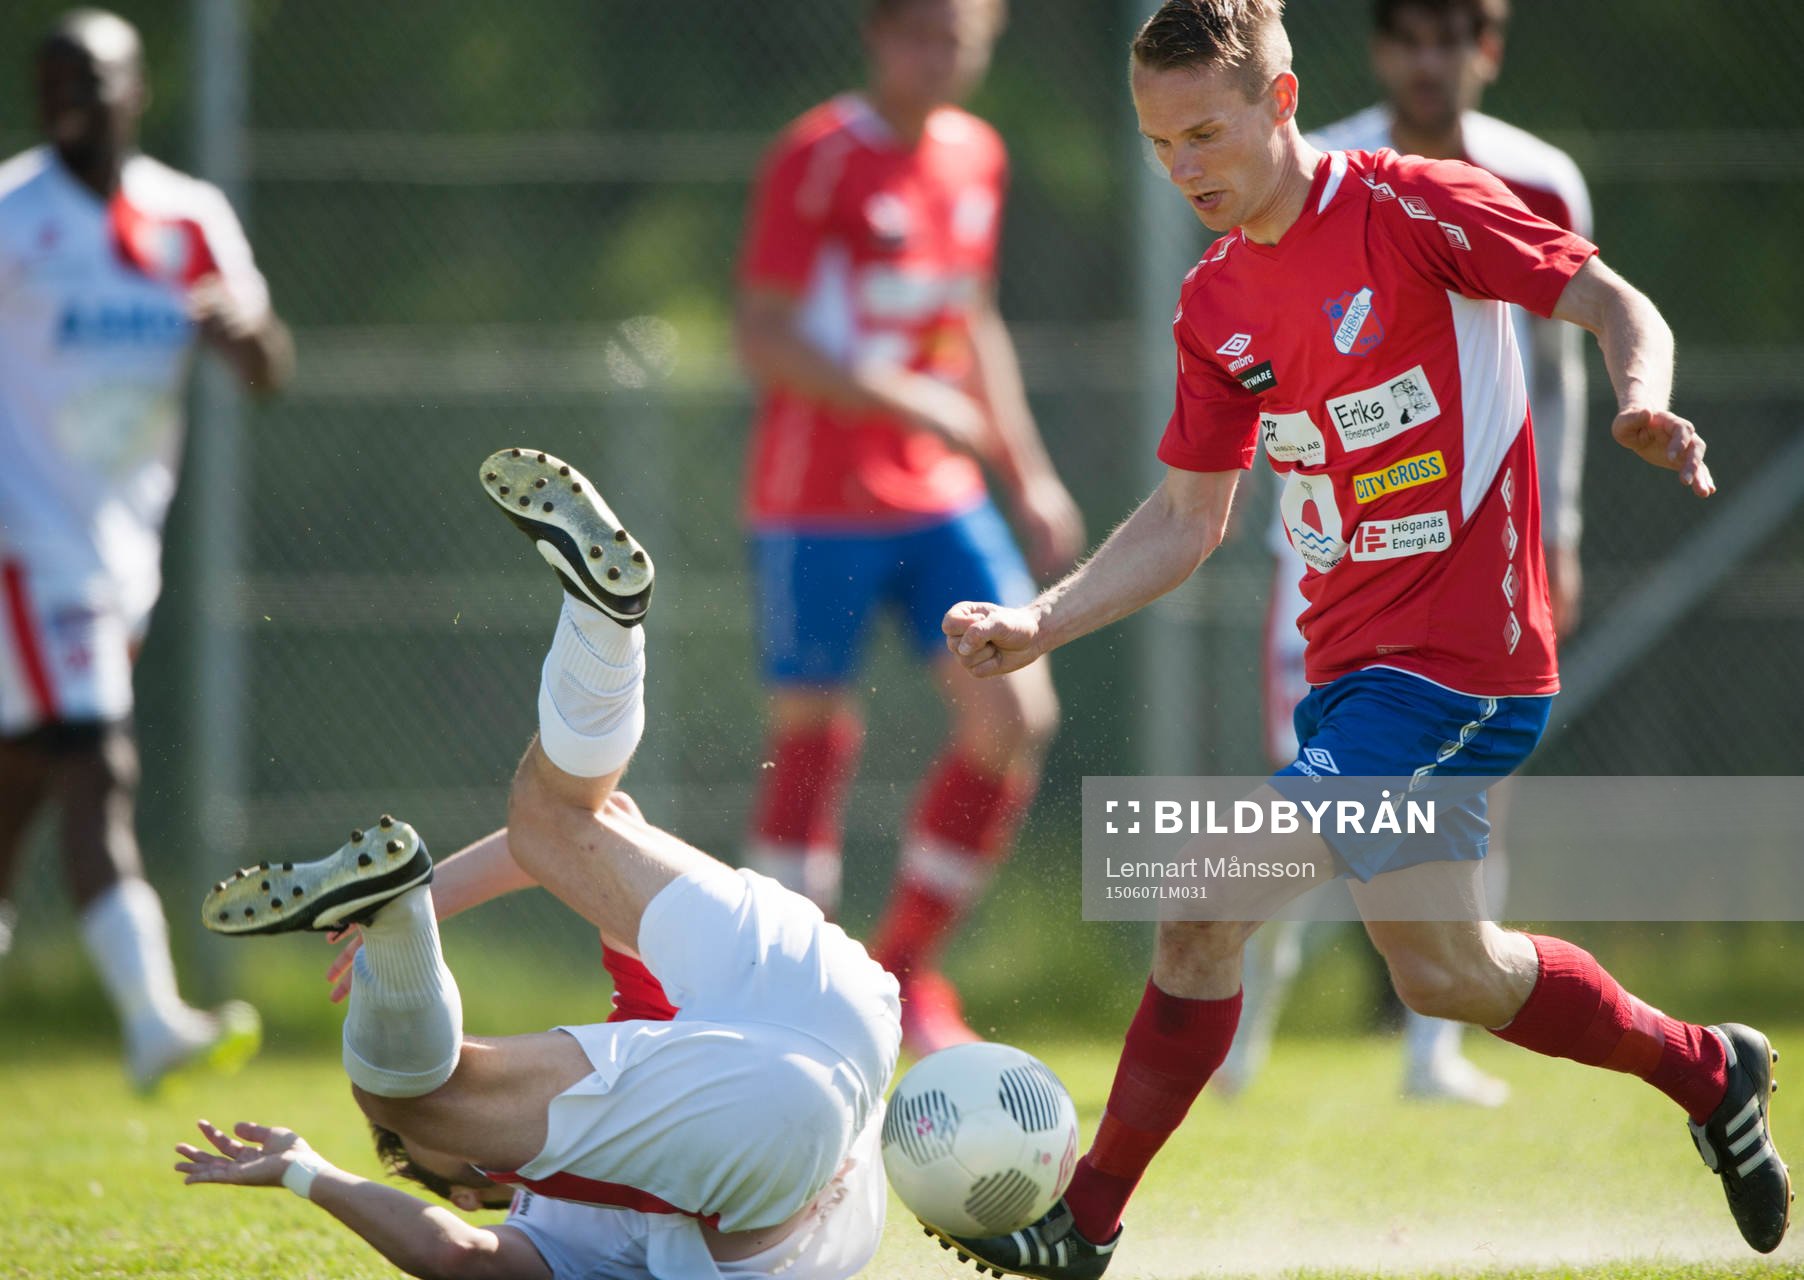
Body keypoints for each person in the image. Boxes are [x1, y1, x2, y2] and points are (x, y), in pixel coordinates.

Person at [932, 1, 1786, 1273]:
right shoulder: (1216, 300)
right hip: (1348, 679)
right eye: (1160, 145)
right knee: (1449, 974)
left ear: (1281, 105)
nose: (1184, 170)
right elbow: (1185, 518)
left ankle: (1086, 1222)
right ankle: (1712, 1071)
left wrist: (1642, 401)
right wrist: (1043, 620)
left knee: (1200, 901)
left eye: (1206, 135)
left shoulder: (1416, 207)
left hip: (1464, 669)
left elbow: (1614, 301)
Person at [176, 449, 901, 1280]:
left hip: (805, 1097)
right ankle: (603, 634)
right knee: (553, 823)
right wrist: (313, 1165)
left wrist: (310, 1173)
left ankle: (406, 899)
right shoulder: (549, 1197)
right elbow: (593, 836)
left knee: (408, 1079)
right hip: (841, 997)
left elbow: (459, 1259)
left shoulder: (610, 1123)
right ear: (479, 1183)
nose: (484, 1124)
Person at [1221, 0, 1595, 1108]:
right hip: (1337, 553)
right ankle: (1242, 1033)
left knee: (1470, 793)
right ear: (1381, 50)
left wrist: (1559, 527)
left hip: (1482, 556)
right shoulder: (1320, 165)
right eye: (1407, 38)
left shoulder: (1540, 179)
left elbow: (1560, 367)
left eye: (1452, 39)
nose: (1428, 62)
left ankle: (1434, 1052)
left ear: (1487, 50)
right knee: (1302, 788)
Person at [733, 0, 1084, 1054]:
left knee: (1014, 713)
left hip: (939, 498)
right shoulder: (819, 155)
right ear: (878, 36)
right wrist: (900, 397)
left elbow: (970, 318)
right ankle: (784, 1001)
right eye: (919, 33)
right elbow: (763, 334)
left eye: (959, 37)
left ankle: (901, 973)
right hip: (815, 498)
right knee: (809, 733)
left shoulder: (976, 152)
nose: (940, 56)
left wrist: (1027, 474)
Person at [0, 8, 291, 1091]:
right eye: (50, 77)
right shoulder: (9, 212)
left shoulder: (188, 216)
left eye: (91, 75)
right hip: (26, 543)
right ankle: (151, 1014)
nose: (69, 94)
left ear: (136, 91)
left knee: (22, 783)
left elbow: (269, 366)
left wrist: (241, 334)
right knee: (97, 761)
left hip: (122, 551)